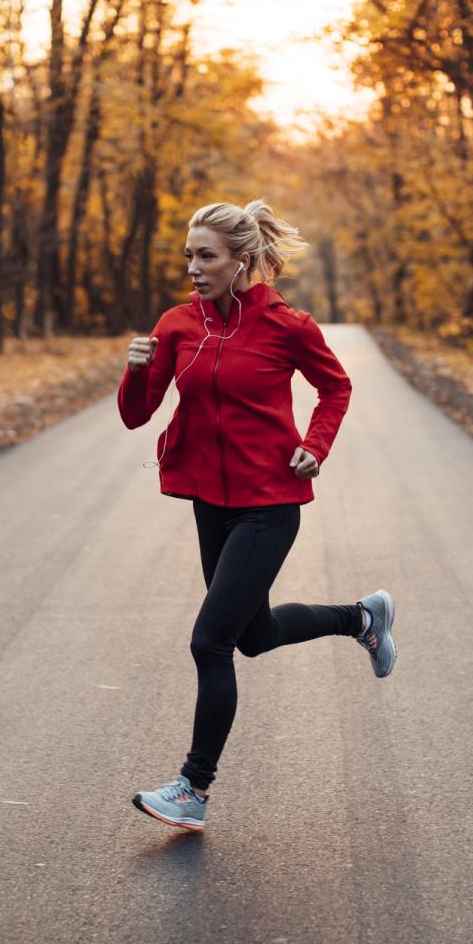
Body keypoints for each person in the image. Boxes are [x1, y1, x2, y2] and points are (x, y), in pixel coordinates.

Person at [117, 199, 398, 832]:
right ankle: (361, 617)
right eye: (189, 256)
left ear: (241, 260)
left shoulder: (286, 325)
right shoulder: (177, 326)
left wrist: (315, 446)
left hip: (269, 504)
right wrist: (135, 373)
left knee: (209, 641)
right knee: (253, 635)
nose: (194, 268)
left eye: (206, 256)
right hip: (210, 504)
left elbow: (336, 387)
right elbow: (137, 415)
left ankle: (193, 788)